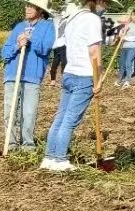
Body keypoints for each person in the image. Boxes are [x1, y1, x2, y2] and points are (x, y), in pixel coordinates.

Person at [41, 0, 101, 171]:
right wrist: (98, 79)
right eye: (105, 2)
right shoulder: (92, 19)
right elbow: (94, 51)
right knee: (69, 121)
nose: (106, 6)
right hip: (85, 74)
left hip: (69, 73)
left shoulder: (72, 19)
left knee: (61, 118)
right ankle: (60, 160)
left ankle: (49, 158)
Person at [1, 0, 56, 153]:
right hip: (12, 75)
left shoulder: (48, 27)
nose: (27, 8)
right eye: (26, 5)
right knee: (10, 112)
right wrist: (17, 45)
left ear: (40, 10)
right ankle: (11, 144)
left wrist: (31, 39)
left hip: (32, 76)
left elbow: (45, 48)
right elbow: (5, 53)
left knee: (29, 113)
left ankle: (27, 145)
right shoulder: (18, 27)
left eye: (31, 6)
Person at [115, 7, 135, 87]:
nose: (132, 17)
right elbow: (121, 33)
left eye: (133, 15)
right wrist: (122, 32)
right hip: (124, 46)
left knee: (128, 63)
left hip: (132, 46)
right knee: (122, 63)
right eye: (131, 15)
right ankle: (120, 79)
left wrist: (125, 38)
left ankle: (128, 80)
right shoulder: (129, 24)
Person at [48, 4, 67, 82]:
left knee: (64, 63)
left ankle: (64, 80)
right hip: (56, 45)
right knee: (54, 64)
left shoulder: (66, 20)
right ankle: (53, 80)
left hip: (64, 44)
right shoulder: (54, 19)